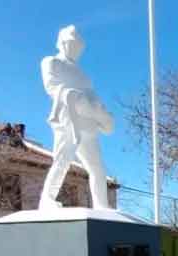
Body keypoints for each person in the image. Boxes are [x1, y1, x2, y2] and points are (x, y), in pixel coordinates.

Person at [37, 25, 115, 210]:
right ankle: (47, 199)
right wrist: (74, 97)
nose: (76, 48)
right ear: (63, 43)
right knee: (62, 160)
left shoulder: (84, 76)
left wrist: (102, 113)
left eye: (79, 46)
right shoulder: (51, 62)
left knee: (97, 168)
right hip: (68, 119)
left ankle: (101, 205)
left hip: (88, 123)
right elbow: (52, 86)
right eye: (73, 44)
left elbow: (93, 97)